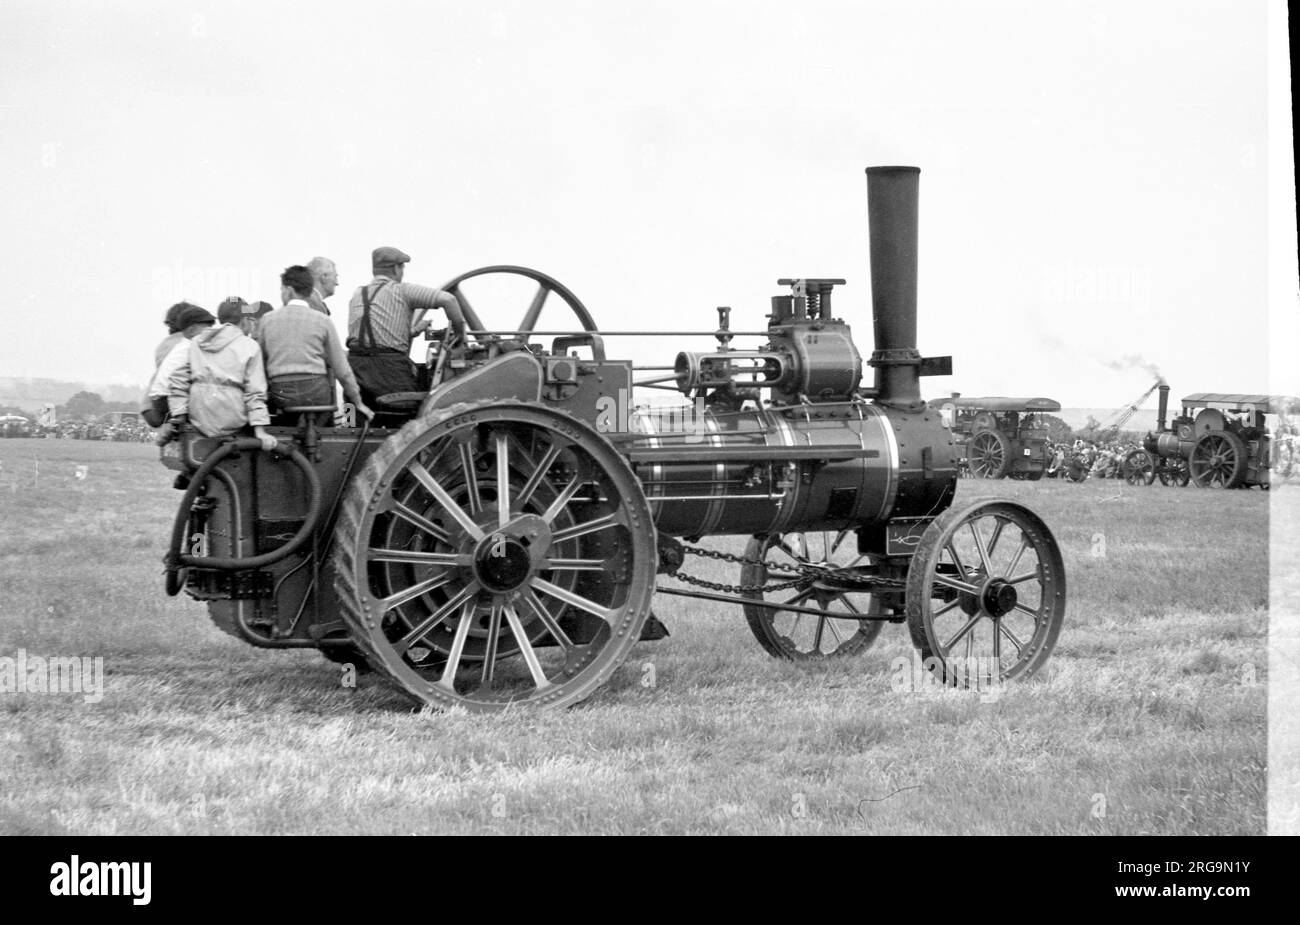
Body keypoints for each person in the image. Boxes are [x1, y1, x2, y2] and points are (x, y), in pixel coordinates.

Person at [346, 246, 464, 406]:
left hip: (354, 366)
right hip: (389, 369)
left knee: (352, 410)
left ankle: (347, 427)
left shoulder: (358, 294)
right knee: (411, 409)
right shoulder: (402, 291)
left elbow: (378, 334)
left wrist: (414, 331)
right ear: (396, 268)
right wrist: (459, 336)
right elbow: (449, 300)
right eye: (402, 268)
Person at [257, 265, 372, 426]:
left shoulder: (267, 320)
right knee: (343, 402)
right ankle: (346, 428)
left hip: (282, 393)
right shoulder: (322, 320)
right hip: (317, 392)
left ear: (288, 290)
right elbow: (343, 370)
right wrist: (358, 403)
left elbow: (259, 364)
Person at [162, 306, 276, 450]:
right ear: (245, 321)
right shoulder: (250, 346)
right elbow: (255, 392)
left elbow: (178, 380)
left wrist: (180, 416)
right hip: (232, 418)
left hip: (198, 415)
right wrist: (260, 431)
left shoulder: (197, 341)